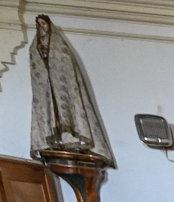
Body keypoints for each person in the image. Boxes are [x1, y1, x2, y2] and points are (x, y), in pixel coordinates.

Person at [28, 15, 115, 167]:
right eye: (40, 25)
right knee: (46, 111)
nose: (43, 27)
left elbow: (66, 67)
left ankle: (74, 142)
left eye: (44, 24)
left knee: (71, 110)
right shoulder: (34, 47)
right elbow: (36, 70)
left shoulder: (58, 44)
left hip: (62, 88)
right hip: (46, 91)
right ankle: (55, 143)